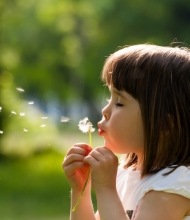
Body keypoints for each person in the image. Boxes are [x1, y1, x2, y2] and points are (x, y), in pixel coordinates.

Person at [63, 44, 190, 220]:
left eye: (119, 103)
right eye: (110, 98)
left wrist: (106, 189)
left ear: (164, 125)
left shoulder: (173, 186)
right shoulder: (125, 174)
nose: (105, 111)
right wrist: (80, 190)